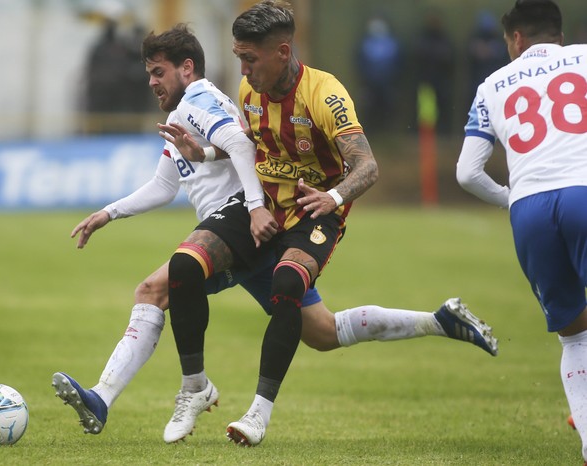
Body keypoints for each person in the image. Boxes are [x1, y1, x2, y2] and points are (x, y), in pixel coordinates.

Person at [52, 22, 498, 444]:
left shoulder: (198, 101)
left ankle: (118, 396)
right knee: (322, 332)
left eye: (157, 72)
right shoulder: (209, 105)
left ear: (186, 68)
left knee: (155, 289)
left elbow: (244, 147)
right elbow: (169, 184)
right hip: (258, 223)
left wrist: (256, 206)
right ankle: (437, 321)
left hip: (251, 225)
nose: (152, 82)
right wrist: (109, 212)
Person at [455, 0, 587, 462]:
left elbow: (467, 174)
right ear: (560, 34)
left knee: (574, 334)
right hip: (585, 189)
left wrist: (512, 198)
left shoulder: (491, 84)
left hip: (529, 207)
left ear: (515, 39)